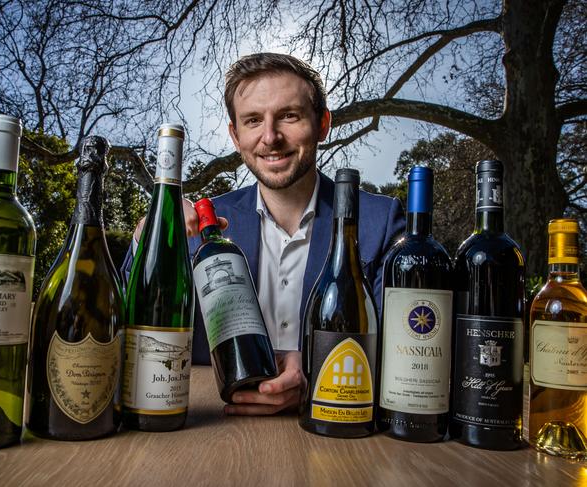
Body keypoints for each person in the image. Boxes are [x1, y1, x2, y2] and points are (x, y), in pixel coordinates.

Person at [121, 52, 405, 416]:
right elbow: (129, 331)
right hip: (207, 430)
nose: (270, 137)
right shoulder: (194, 227)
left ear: (322, 124)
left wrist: (314, 372)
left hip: (339, 430)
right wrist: (149, 236)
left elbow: (404, 350)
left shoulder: (378, 221)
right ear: (235, 135)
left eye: (289, 115)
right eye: (253, 120)